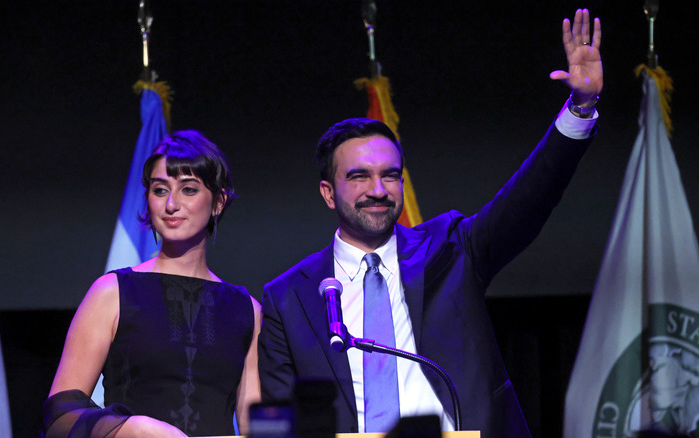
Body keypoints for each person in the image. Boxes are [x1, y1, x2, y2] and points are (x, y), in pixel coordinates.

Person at [258, 8, 602, 438]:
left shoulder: (451, 249)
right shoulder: (289, 297)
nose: (378, 189)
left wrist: (580, 107)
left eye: (389, 175)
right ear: (328, 193)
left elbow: (529, 200)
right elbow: (280, 418)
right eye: (359, 176)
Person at [43, 131, 261, 437]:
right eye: (160, 190)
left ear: (218, 202)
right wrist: (131, 428)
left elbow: (257, 425)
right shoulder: (112, 292)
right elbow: (59, 415)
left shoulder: (246, 309)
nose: (171, 204)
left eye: (188, 189)